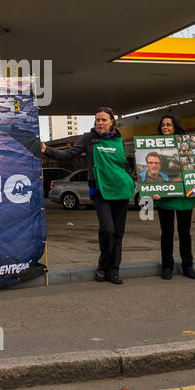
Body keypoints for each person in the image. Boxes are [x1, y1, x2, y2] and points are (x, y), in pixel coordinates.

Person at [43, 107, 134, 283]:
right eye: (97, 120)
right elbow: (68, 154)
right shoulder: (89, 139)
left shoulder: (119, 140)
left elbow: (124, 165)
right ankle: (102, 266)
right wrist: (47, 150)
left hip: (120, 189)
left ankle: (114, 270)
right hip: (99, 190)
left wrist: (130, 179)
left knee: (118, 233)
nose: (100, 123)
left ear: (111, 122)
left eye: (104, 120)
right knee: (107, 229)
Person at [151, 112, 195, 280]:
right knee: (166, 233)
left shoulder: (187, 144)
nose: (165, 127)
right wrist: (151, 191)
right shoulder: (155, 145)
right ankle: (167, 266)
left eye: (168, 124)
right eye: (163, 125)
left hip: (184, 195)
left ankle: (188, 265)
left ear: (176, 126)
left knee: (185, 233)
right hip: (164, 196)